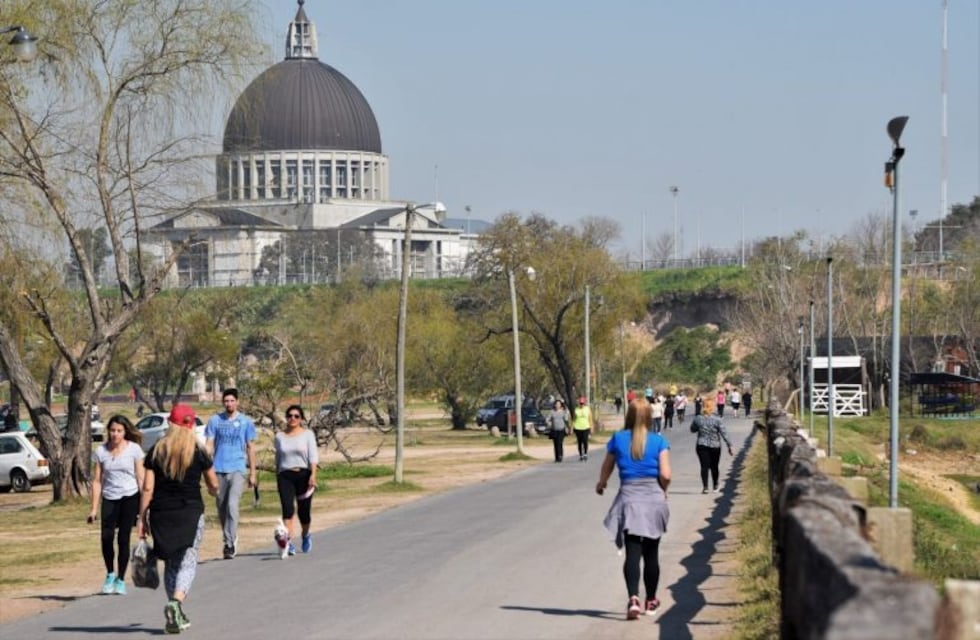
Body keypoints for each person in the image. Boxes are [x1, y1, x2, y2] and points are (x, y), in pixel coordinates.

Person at [138, 405, 218, 634]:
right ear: (191, 425)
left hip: (161, 513)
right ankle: (176, 602)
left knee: (172, 562)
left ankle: (176, 613)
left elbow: (147, 487)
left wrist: (142, 517)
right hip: (189, 511)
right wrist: (215, 490)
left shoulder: (156, 450)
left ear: (170, 424)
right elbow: (213, 483)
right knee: (189, 559)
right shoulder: (198, 450)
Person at [595, 398, 671, 620]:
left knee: (632, 553)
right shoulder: (659, 441)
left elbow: (606, 468)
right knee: (652, 554)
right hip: (653, 500)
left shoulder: (618, 439)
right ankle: (651, 600)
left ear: (628, 416)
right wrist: (663, 490)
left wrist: (602, 484)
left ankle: (633, 599)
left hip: (629, 500)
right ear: (649, 417)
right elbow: (666, 474)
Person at [88, 415, 145, 595]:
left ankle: (121, 579)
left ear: (125, 431)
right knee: (106, 537)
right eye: (112, 430)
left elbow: (141, 477)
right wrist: (94, 509)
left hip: (130, 497)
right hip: (110, 498)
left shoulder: (134, 449)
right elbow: (97, 481)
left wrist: (144, 507)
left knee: (123, 538)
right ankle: (110, 573)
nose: (115, 434)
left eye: (119, 431)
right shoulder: (101, 451)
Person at [205, 388, 257, 559]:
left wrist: (253, 473)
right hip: (219, 468)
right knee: (221, 507)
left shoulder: (245, 422)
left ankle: (229, 543)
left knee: (232, 505)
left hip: (237, 468)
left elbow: (250, 447)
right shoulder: (215, 421)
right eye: (226, 401)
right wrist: (205, 466)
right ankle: (228, 536)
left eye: (231, 401)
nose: (229, 404)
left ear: (237, 402)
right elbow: (210, 444)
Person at [274, 405, 319, 556]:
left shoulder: (308, 434)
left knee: (303, 512)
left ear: (301, 419)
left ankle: (305, 535)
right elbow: (278, 458)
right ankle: (288, 542)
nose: (292, 419)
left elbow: (313, 457)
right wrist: (278, 475)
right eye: (290, 416)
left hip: (304, 475)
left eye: (296, 416)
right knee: (288, 510)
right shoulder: (279, 436)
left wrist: (313, 475)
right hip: (285, 475)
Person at [690, 398, 733, 494]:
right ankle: (715, 485)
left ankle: (705, 487)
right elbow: (724, 433)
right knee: (714, 466)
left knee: (704, 466)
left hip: (702, 444)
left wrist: (699, 427)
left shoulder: (698, 418)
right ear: (712, 407)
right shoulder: (717, 419)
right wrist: (729, 445)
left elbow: (692, 429)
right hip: (715, 445)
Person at [572, 396, 594, 461]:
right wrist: (572, 427)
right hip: (578, 427)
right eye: (580, 403)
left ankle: (585, 453)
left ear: (584, 403)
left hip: (586, 427)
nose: (581, 404)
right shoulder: (576, 409)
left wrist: (592, 427)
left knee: (585, 440)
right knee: (579, 441)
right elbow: (574, 419)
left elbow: (590, 419)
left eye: (583, 403)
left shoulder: (587, 409)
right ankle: (581, 455)